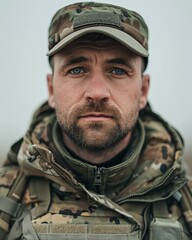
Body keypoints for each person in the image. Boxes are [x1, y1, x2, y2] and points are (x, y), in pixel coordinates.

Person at [0, 2, 192, 239]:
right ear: (51, 89)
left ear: (143, 90)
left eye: (118, 70)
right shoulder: (6, 197)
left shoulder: (185, 199)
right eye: (77, 70)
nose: (97, 92)